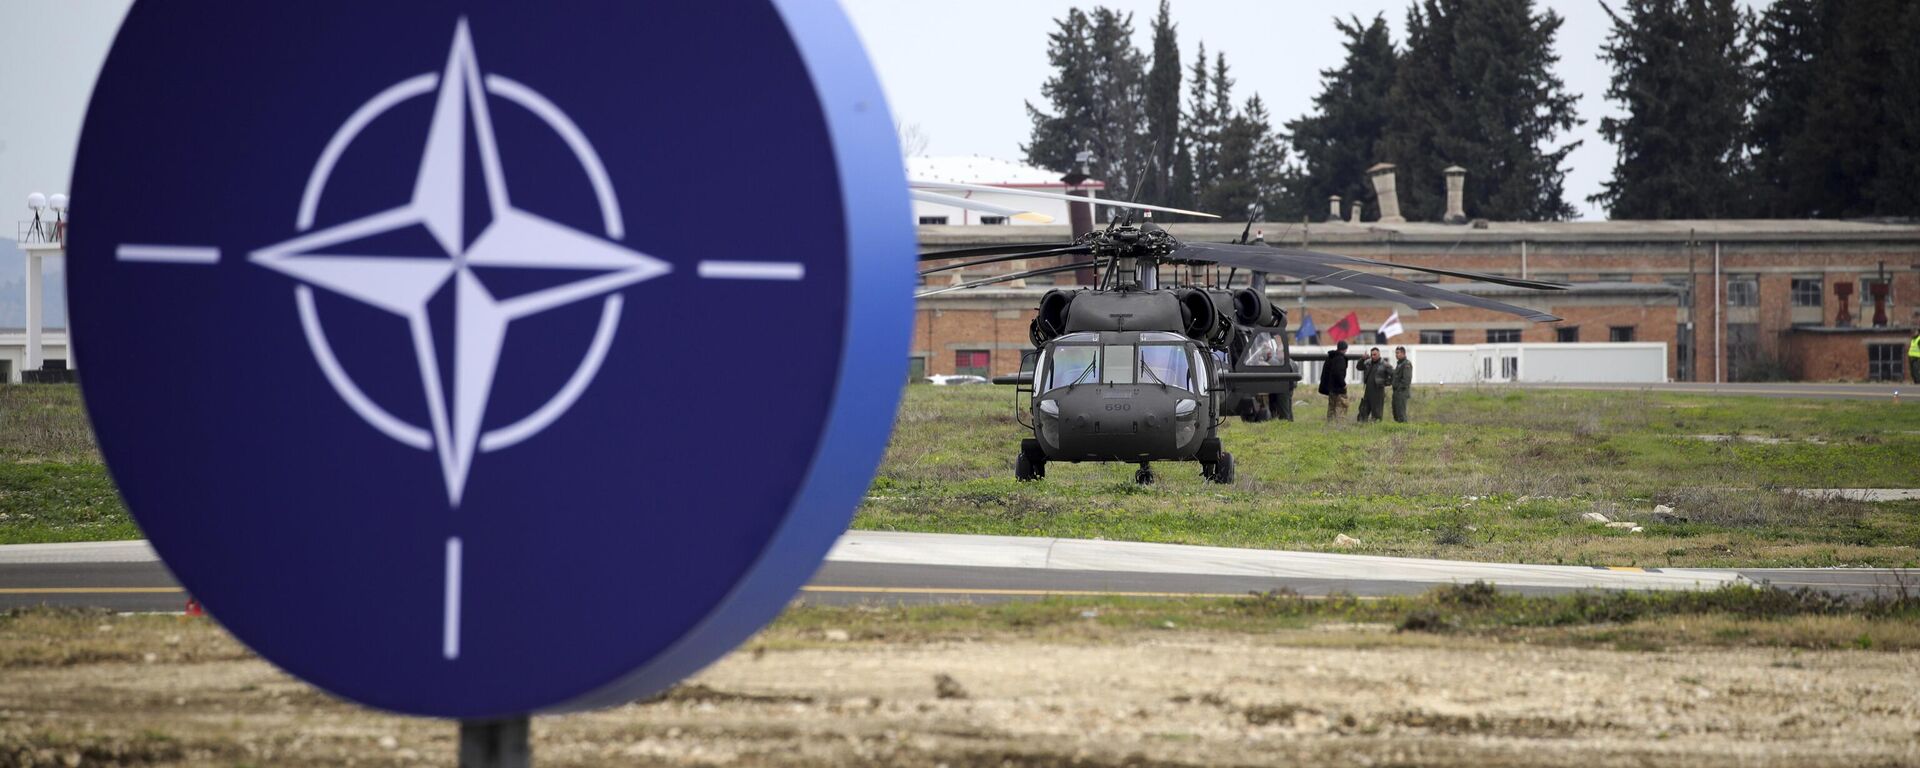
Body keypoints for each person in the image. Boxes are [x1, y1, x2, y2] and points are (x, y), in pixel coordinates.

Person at [1355, 347, 1389, 422]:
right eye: (1372, 355)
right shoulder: (1368, 363)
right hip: (1368, 391)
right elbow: (1359, 367)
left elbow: (1392, 376)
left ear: (1379, 354)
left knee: (1377, 413)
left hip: (1378, 392)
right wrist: (1362, 359)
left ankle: (1376, 426)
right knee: (1363, 410)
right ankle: (1362, 424)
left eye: (1375, 354)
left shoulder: (1384, 364)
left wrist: (1384, 383)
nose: (1373, 356)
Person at [1318, 340, 1350, 420]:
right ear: (1345, 349)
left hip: (1331, 388)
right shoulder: (1340, 359)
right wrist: (1343, 384)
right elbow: (1338, 373)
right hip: (1339, 388)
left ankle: (1330, 426)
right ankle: (1339, 427)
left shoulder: (1331, 357)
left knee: (1331, 409)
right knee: (1341, 409)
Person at [1391, 346, 1413, 423]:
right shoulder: (1399, 364)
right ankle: (1398, 430)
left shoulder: (1406, 364)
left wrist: (1399, 388)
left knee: (1401, 414)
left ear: (1403, 353)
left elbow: (1406, 380)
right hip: (1396, 392)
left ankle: (1404, 431)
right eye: (1395, 353)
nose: (1396, 355)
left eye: (1398, 353)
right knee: (1396, 413)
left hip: (1401, 392)